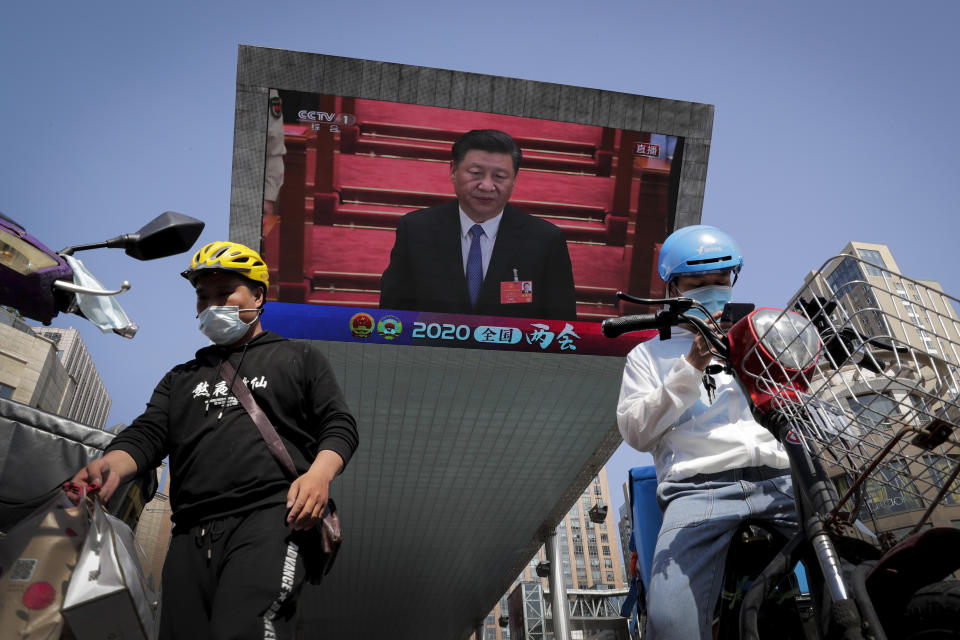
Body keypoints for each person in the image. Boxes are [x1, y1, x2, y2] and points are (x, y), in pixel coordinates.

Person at [69, 241, 359, 640]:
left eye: (224, 294)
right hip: (189, 532)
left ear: (258, 295)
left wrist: (319, 476)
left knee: (246, 628)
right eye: (202, 297)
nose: (211, 305)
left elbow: (339, 424)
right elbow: (149, 433)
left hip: (272, 520)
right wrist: (111, 464)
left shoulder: (300, 358)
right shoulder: (181, 377)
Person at [616, 225, 797, 640]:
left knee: (853, 559)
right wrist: (691, 367)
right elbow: (636, 432)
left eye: (720, 282)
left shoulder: (762, 335)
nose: (712, 292)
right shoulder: (647, 355)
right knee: (670, 619)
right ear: (673, 287)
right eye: (698, 285)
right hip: (699, 490)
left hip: (783, 478)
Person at [379, 129, 577, 320]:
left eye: (499, 177)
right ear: (454, 171)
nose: (487, 186)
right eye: (476, 173)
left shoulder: (545, 239)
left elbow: (561, 323)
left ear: (514, 180)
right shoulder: (416, 229)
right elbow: (393, 313)